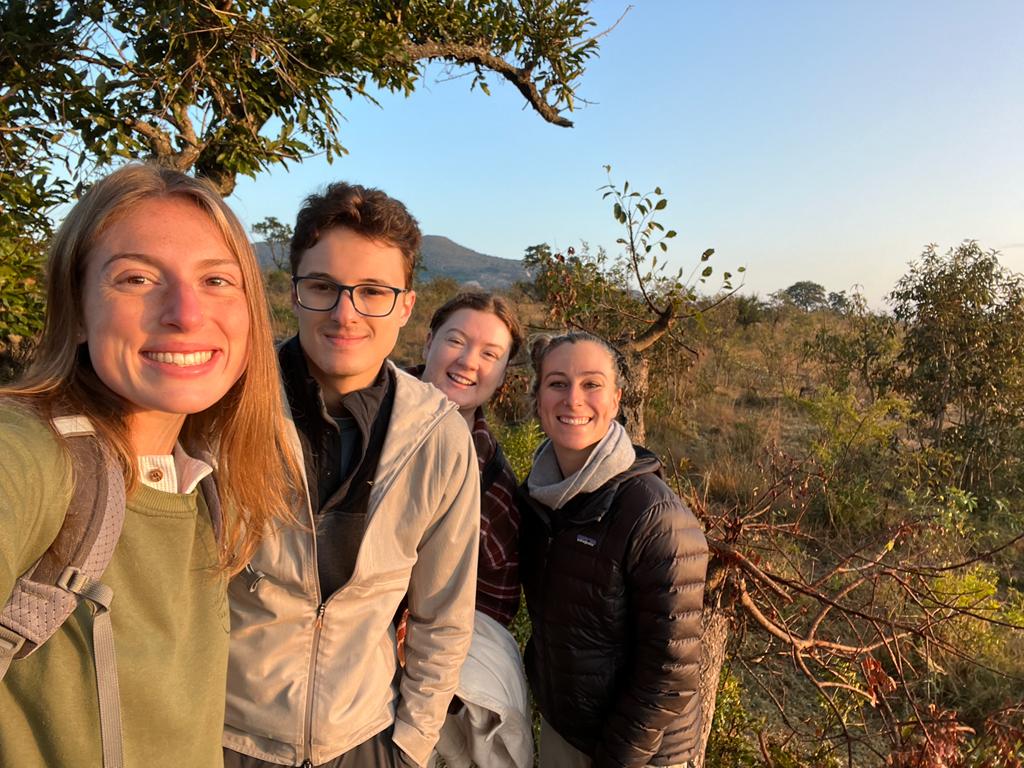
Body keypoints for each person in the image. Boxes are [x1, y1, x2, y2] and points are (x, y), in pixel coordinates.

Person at [0, 163, 299, 767]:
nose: (186, 313)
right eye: (136, 279)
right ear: (78, 310)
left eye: (217, 280)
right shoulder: (34, 454)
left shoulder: (207, 478)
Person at [223, 182, 480, 768]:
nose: (345, 313)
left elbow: (442, 617)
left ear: (407, 305)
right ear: (293, 293)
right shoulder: (225, 410)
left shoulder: (437, 439)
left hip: (364, 740)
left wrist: (410, 747)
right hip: (225, 736)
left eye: (372, 292)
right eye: (323, 287)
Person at [519, 332, 708, 768]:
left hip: (640, 750)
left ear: (617, 398)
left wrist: (618, 758)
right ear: (539, 396)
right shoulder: (536, 497)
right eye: (557, 383)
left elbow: (671, 670)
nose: (573, 399)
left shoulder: (653, 514)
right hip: (565, 728)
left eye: (591, 384)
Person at [415, 292, 533, 768]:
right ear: (427, 344)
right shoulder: (358, 415)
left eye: (490, 355)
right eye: (456, 341)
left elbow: (496, 600)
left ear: (503, 375)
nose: (468, 362)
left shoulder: (493, 476)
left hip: (427, 676)